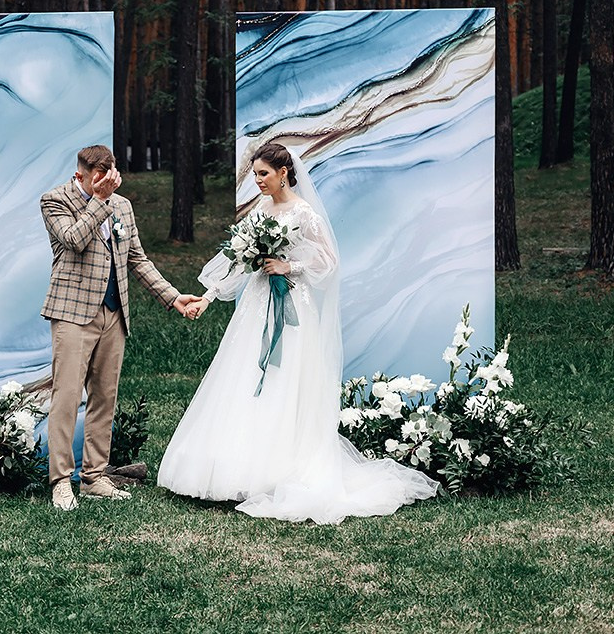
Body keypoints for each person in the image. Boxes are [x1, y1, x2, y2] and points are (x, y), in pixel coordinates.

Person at [158, 143, 439, 524]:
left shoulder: (303, 213)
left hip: (293, 305)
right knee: (247, 374)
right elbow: (237, 260)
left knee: (286, 378)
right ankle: (237, 464)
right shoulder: (260, 210)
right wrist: (208, 298)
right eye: (255, 174)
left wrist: (289, 264)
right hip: (258, 303)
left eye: (263, 174)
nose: (257, 181)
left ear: (284, 173)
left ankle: (282, 466)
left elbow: (329, 260)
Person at [40, 145, 202, 511]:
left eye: (111, 176)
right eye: (100, 179)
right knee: (66, 398)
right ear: (81, 175)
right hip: (72, 314)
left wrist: (173, 297)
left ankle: (95, 476)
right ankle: (61, 481)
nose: (109, 184)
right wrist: (98, 201)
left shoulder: (122, 205)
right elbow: (73, 240)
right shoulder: (55, 200)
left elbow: (136, 258)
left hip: (114, 313)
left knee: (105, 396)